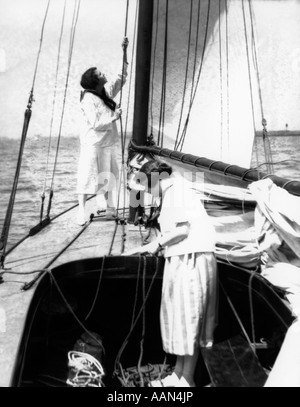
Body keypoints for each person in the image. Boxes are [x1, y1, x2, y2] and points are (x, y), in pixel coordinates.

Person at [124, 159, 218, 387]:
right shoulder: (174, 189)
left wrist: (154, 245)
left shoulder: (177, 191)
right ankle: (178, 374)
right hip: (183, 258)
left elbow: (182, 229)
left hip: (192, 260)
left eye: (147, 187)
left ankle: (187, 379)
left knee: (190, 320)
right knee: (183, 321)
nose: (147, 192)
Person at [76, 37, 129, 225]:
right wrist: (115, 116)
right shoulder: (88, 99)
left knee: (108, 177)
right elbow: (96, 123)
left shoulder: (104, 93)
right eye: (100, 73)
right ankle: (81, 212)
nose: (103, 74)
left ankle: (110, 209)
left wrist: (124, 52)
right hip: (93, 144)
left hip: (106, 143)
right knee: (87, 179)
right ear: (95, 80)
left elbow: (121, 78)